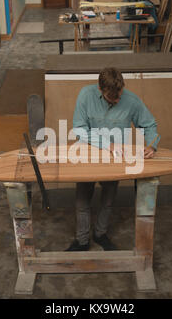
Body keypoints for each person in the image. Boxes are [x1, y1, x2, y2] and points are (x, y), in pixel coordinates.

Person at [66, 67, 160, 251]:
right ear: (101, 90)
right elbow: (78, 128)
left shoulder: (131, 101)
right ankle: (82, 240)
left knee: (107, 201)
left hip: (116, 159)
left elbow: (150, 124)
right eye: (112, 98)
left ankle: (100, 234)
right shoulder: (86, 95)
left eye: (119, 96)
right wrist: (106, 145)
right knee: (82, 201)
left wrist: (151, 145)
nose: (117, 100)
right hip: (88, 155)